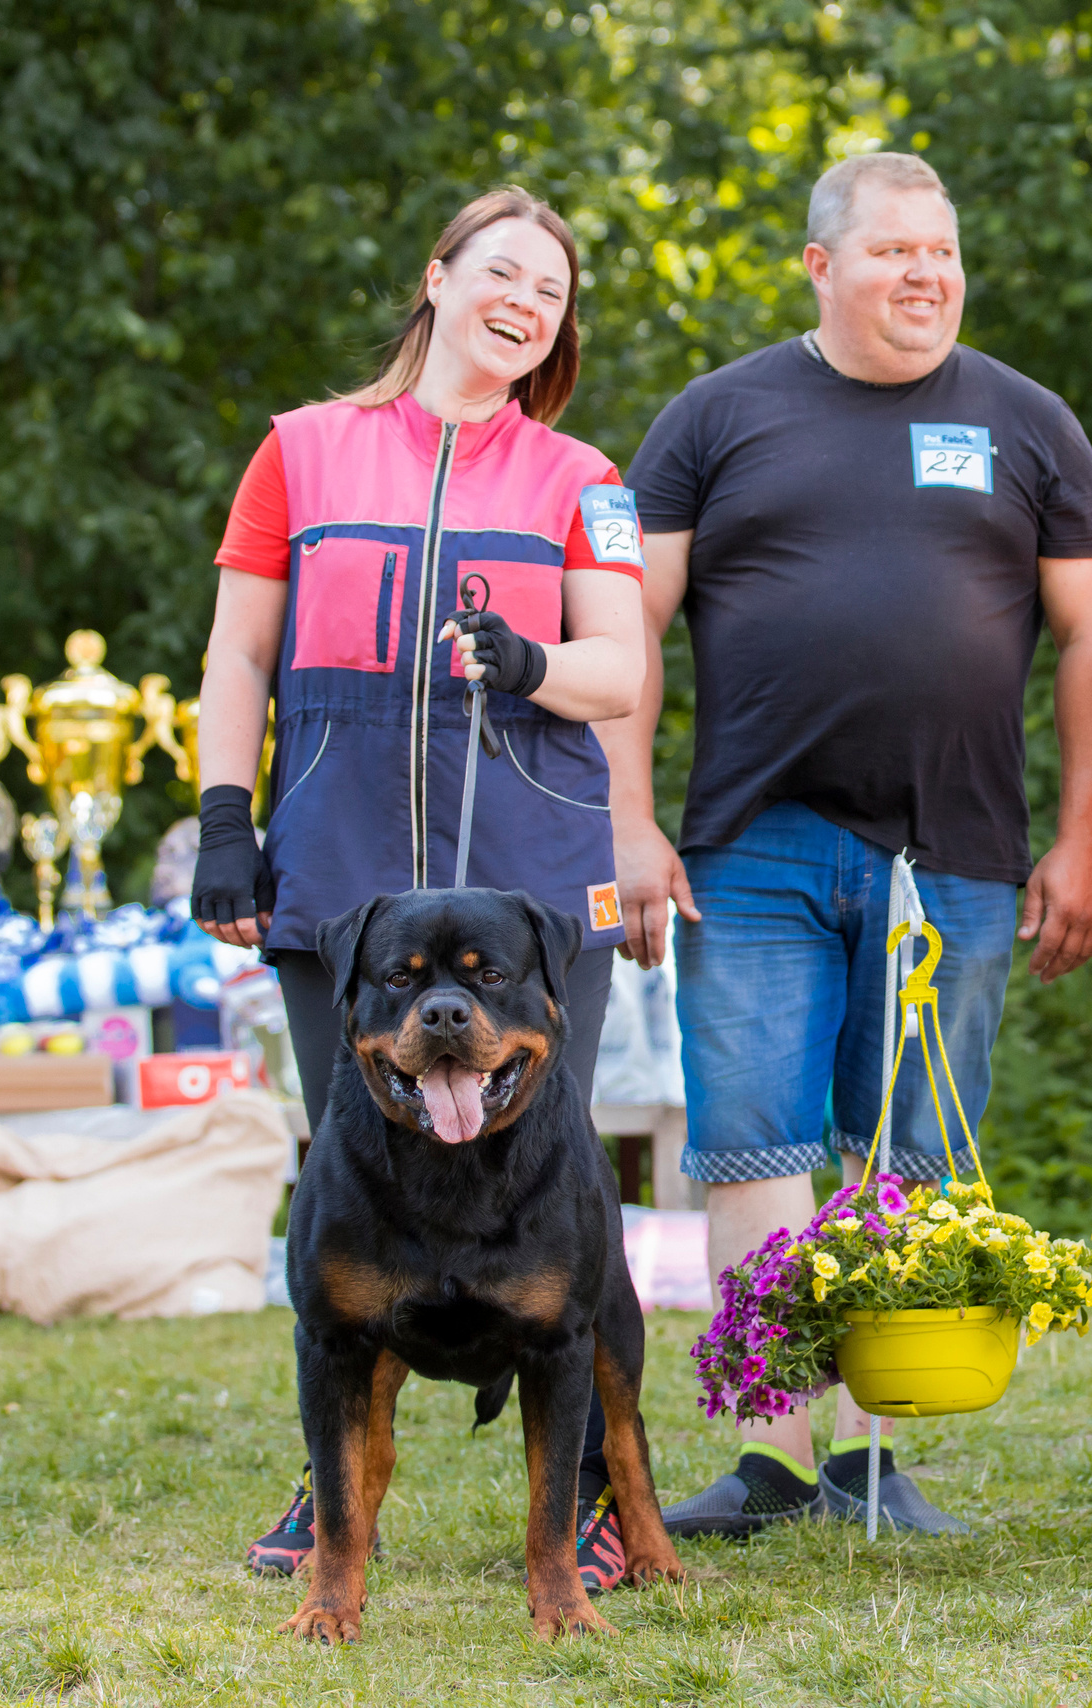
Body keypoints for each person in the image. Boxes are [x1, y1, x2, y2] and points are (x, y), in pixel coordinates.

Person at [608, 152, 1092, 1537]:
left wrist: (1083, 842)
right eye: (895, 250)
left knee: (908, 1147)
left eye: (943, 253)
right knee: (753, 1144)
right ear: (821, 267)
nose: (925, 275)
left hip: (955, 849)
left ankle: (869, 1459)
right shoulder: (717, 417)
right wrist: (628, 819)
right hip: (753, 844)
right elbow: (627, 635)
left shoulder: (1030, 423)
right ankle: (771, 1457)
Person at [185, 186, 650, 1584]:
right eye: (503, 273)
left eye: (552, 293)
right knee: (351, 1172)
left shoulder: (587, 478)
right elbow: (235, 657)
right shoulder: (300, 453)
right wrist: (223, 817)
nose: (525, 303)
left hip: (538, 881)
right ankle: (334, 1491)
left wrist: (526, 662)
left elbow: (621, 669)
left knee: (552, 1187)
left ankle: (582, 1497)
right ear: (439, 278)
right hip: (338, 869)